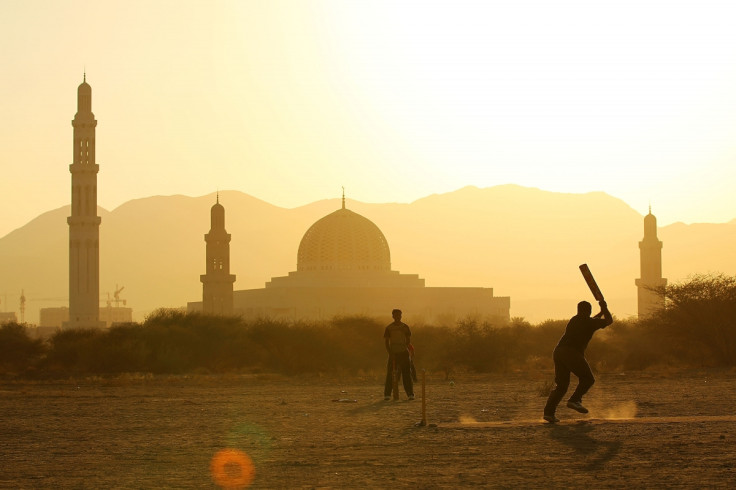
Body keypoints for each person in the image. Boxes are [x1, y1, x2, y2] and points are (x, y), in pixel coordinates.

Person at [543, 300, 613, 423]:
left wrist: (601, 311)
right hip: (571, 353)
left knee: (561, 386)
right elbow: (609, 321)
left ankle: (549, 413)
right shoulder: (589, 322)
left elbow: (592, 321)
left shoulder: (574, 320)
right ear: (589, 310)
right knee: (588, 379)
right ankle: (575, 400)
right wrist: (605, 308)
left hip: (559, 352)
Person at [383, 309, 415, 401]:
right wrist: (390, 353)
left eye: (399, 315)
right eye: (396, 315)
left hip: (404, 353)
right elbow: (386, 342)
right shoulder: (389, 328)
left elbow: (408, 339)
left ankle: (410, 394)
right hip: (393, 353)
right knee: (390, 374)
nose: (398, 317)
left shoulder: (405, 327)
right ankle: (387, 395)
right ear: (393, 316)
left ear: (401, 316)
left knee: (407, 374)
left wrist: (405, 347)